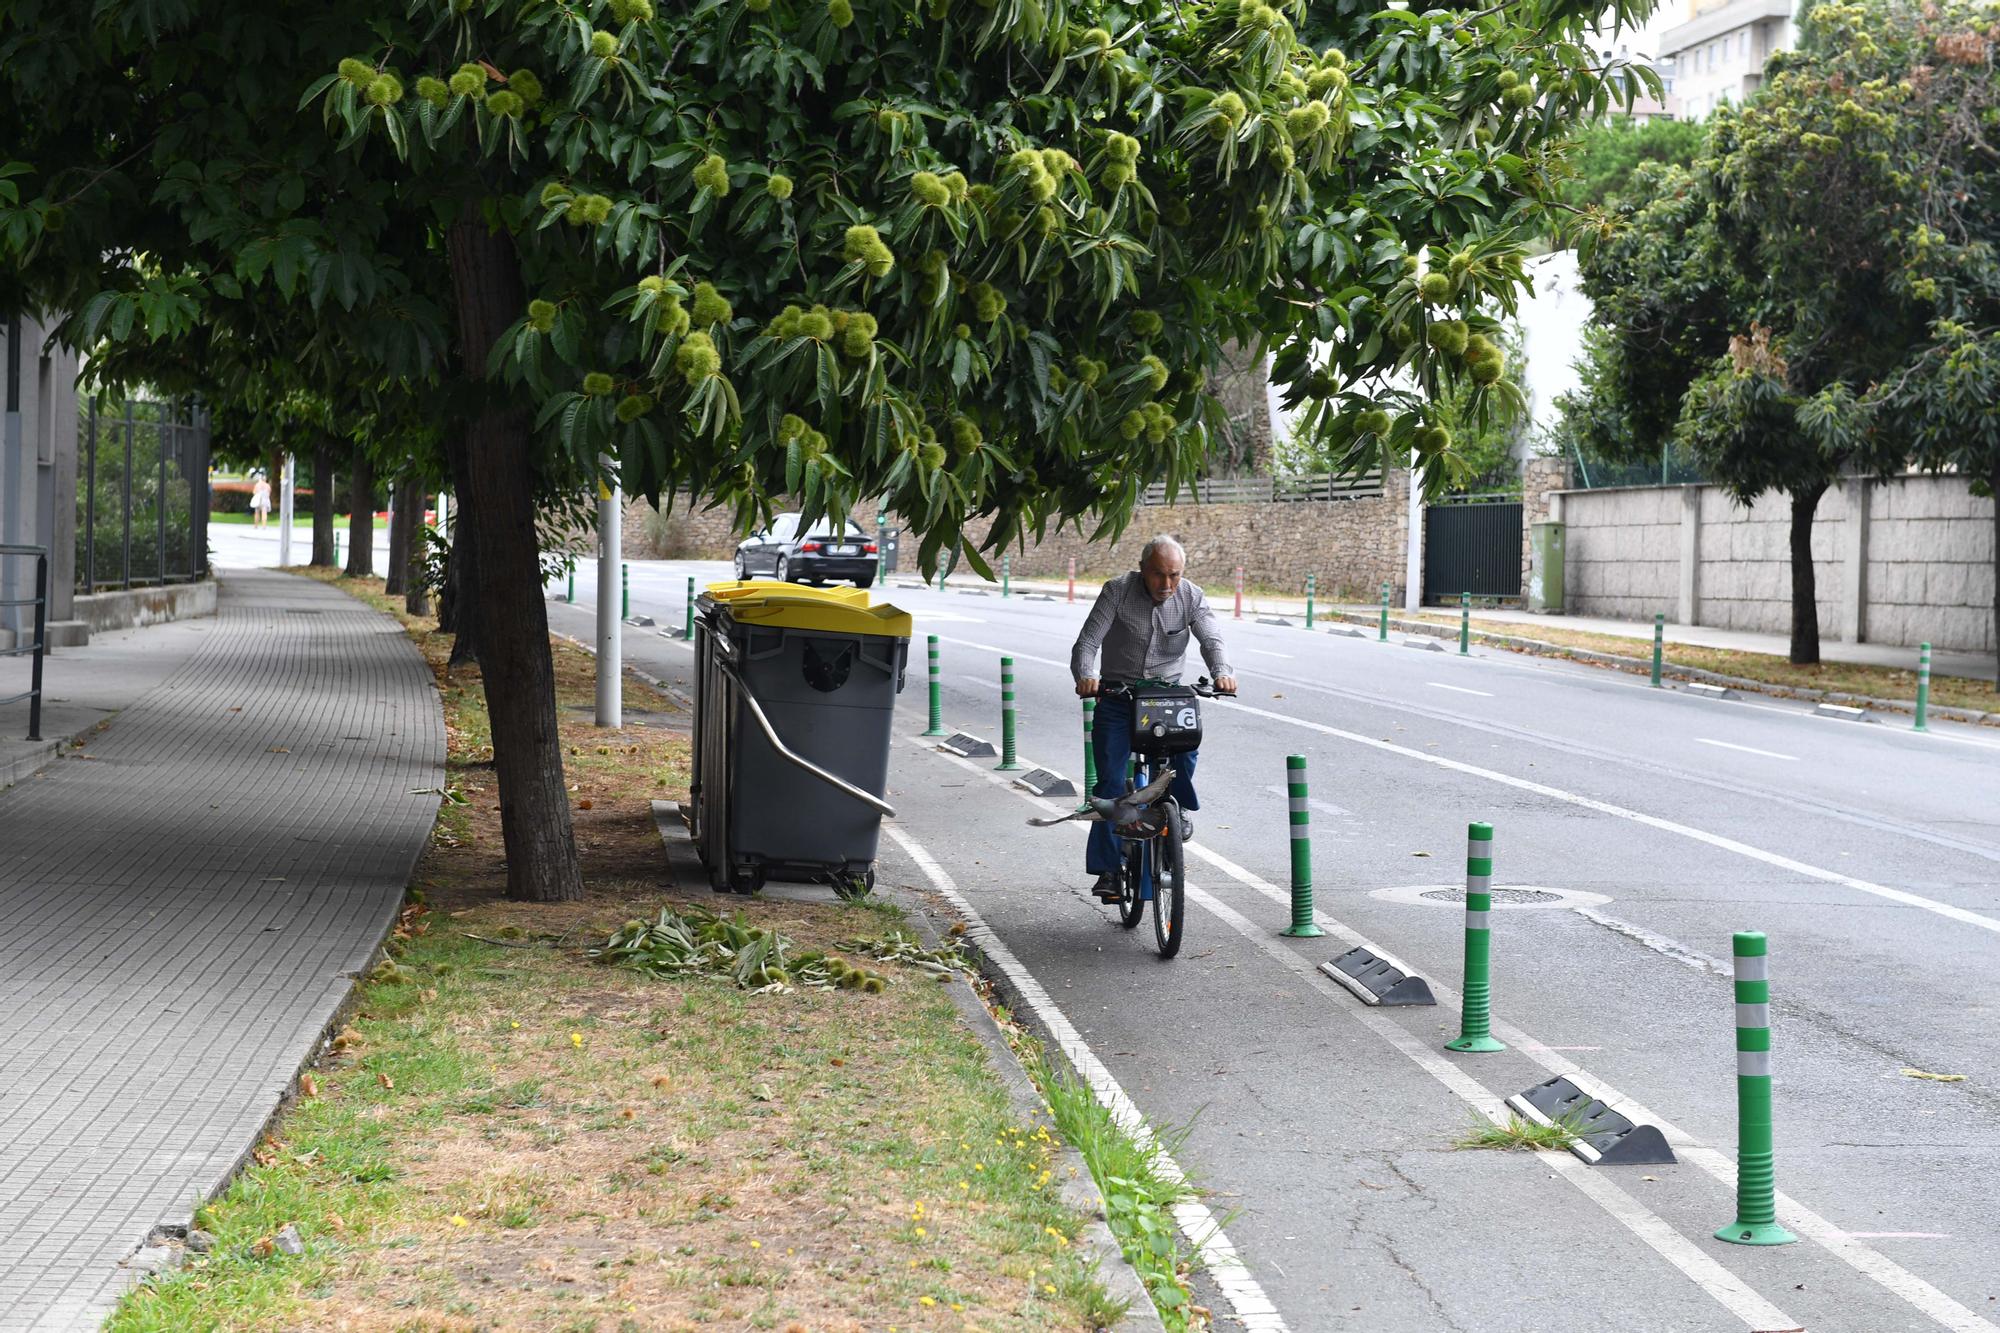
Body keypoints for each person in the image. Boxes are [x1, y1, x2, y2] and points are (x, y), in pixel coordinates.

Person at [1071, 535, 1237, 902]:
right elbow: (1087, 643)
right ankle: (1109, 872)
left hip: (1165, 697)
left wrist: (1222, 670)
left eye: (1174, 576)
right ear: (1143, 569)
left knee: (1187, 746)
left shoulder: (1191, 596)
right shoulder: (1117, 591)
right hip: (1117, 696)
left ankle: (1176, 813)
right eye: (1159, 575)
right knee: (1111, 784)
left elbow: (1211, 638)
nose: (1167, 585)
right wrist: (1086, 675)